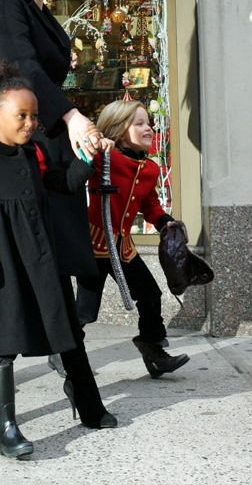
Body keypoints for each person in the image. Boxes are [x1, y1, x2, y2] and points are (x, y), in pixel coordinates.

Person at [0, 62, 117, 460]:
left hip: (33, 261)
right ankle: (5, 428)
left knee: (18, 332)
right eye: (21, 116)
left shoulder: (37, 154)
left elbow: (64, 184)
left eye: (34, 116)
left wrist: (86, 156)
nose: (30, 123)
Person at [0, 0, 109, 377]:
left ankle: (66, 346)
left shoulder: (42, 12)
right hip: (26, 142)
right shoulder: (9, 3)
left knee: (72, 256)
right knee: (37, 253)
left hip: (47, 138)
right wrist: (70, 116)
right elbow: (26, 68)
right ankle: (0, 365)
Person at [75, 100, 190, 378]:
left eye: (148, 122)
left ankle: (153, 351)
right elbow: (78, 160)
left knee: (150, 295)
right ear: (117, 130)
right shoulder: (103, 158)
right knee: (86, 311)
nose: (148, 128)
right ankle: (65, 352)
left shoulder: (149, 168)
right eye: (139, 124)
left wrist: (164, 222)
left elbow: (150, 205)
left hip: (123, 248)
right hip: (94, 245)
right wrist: (95, 143)